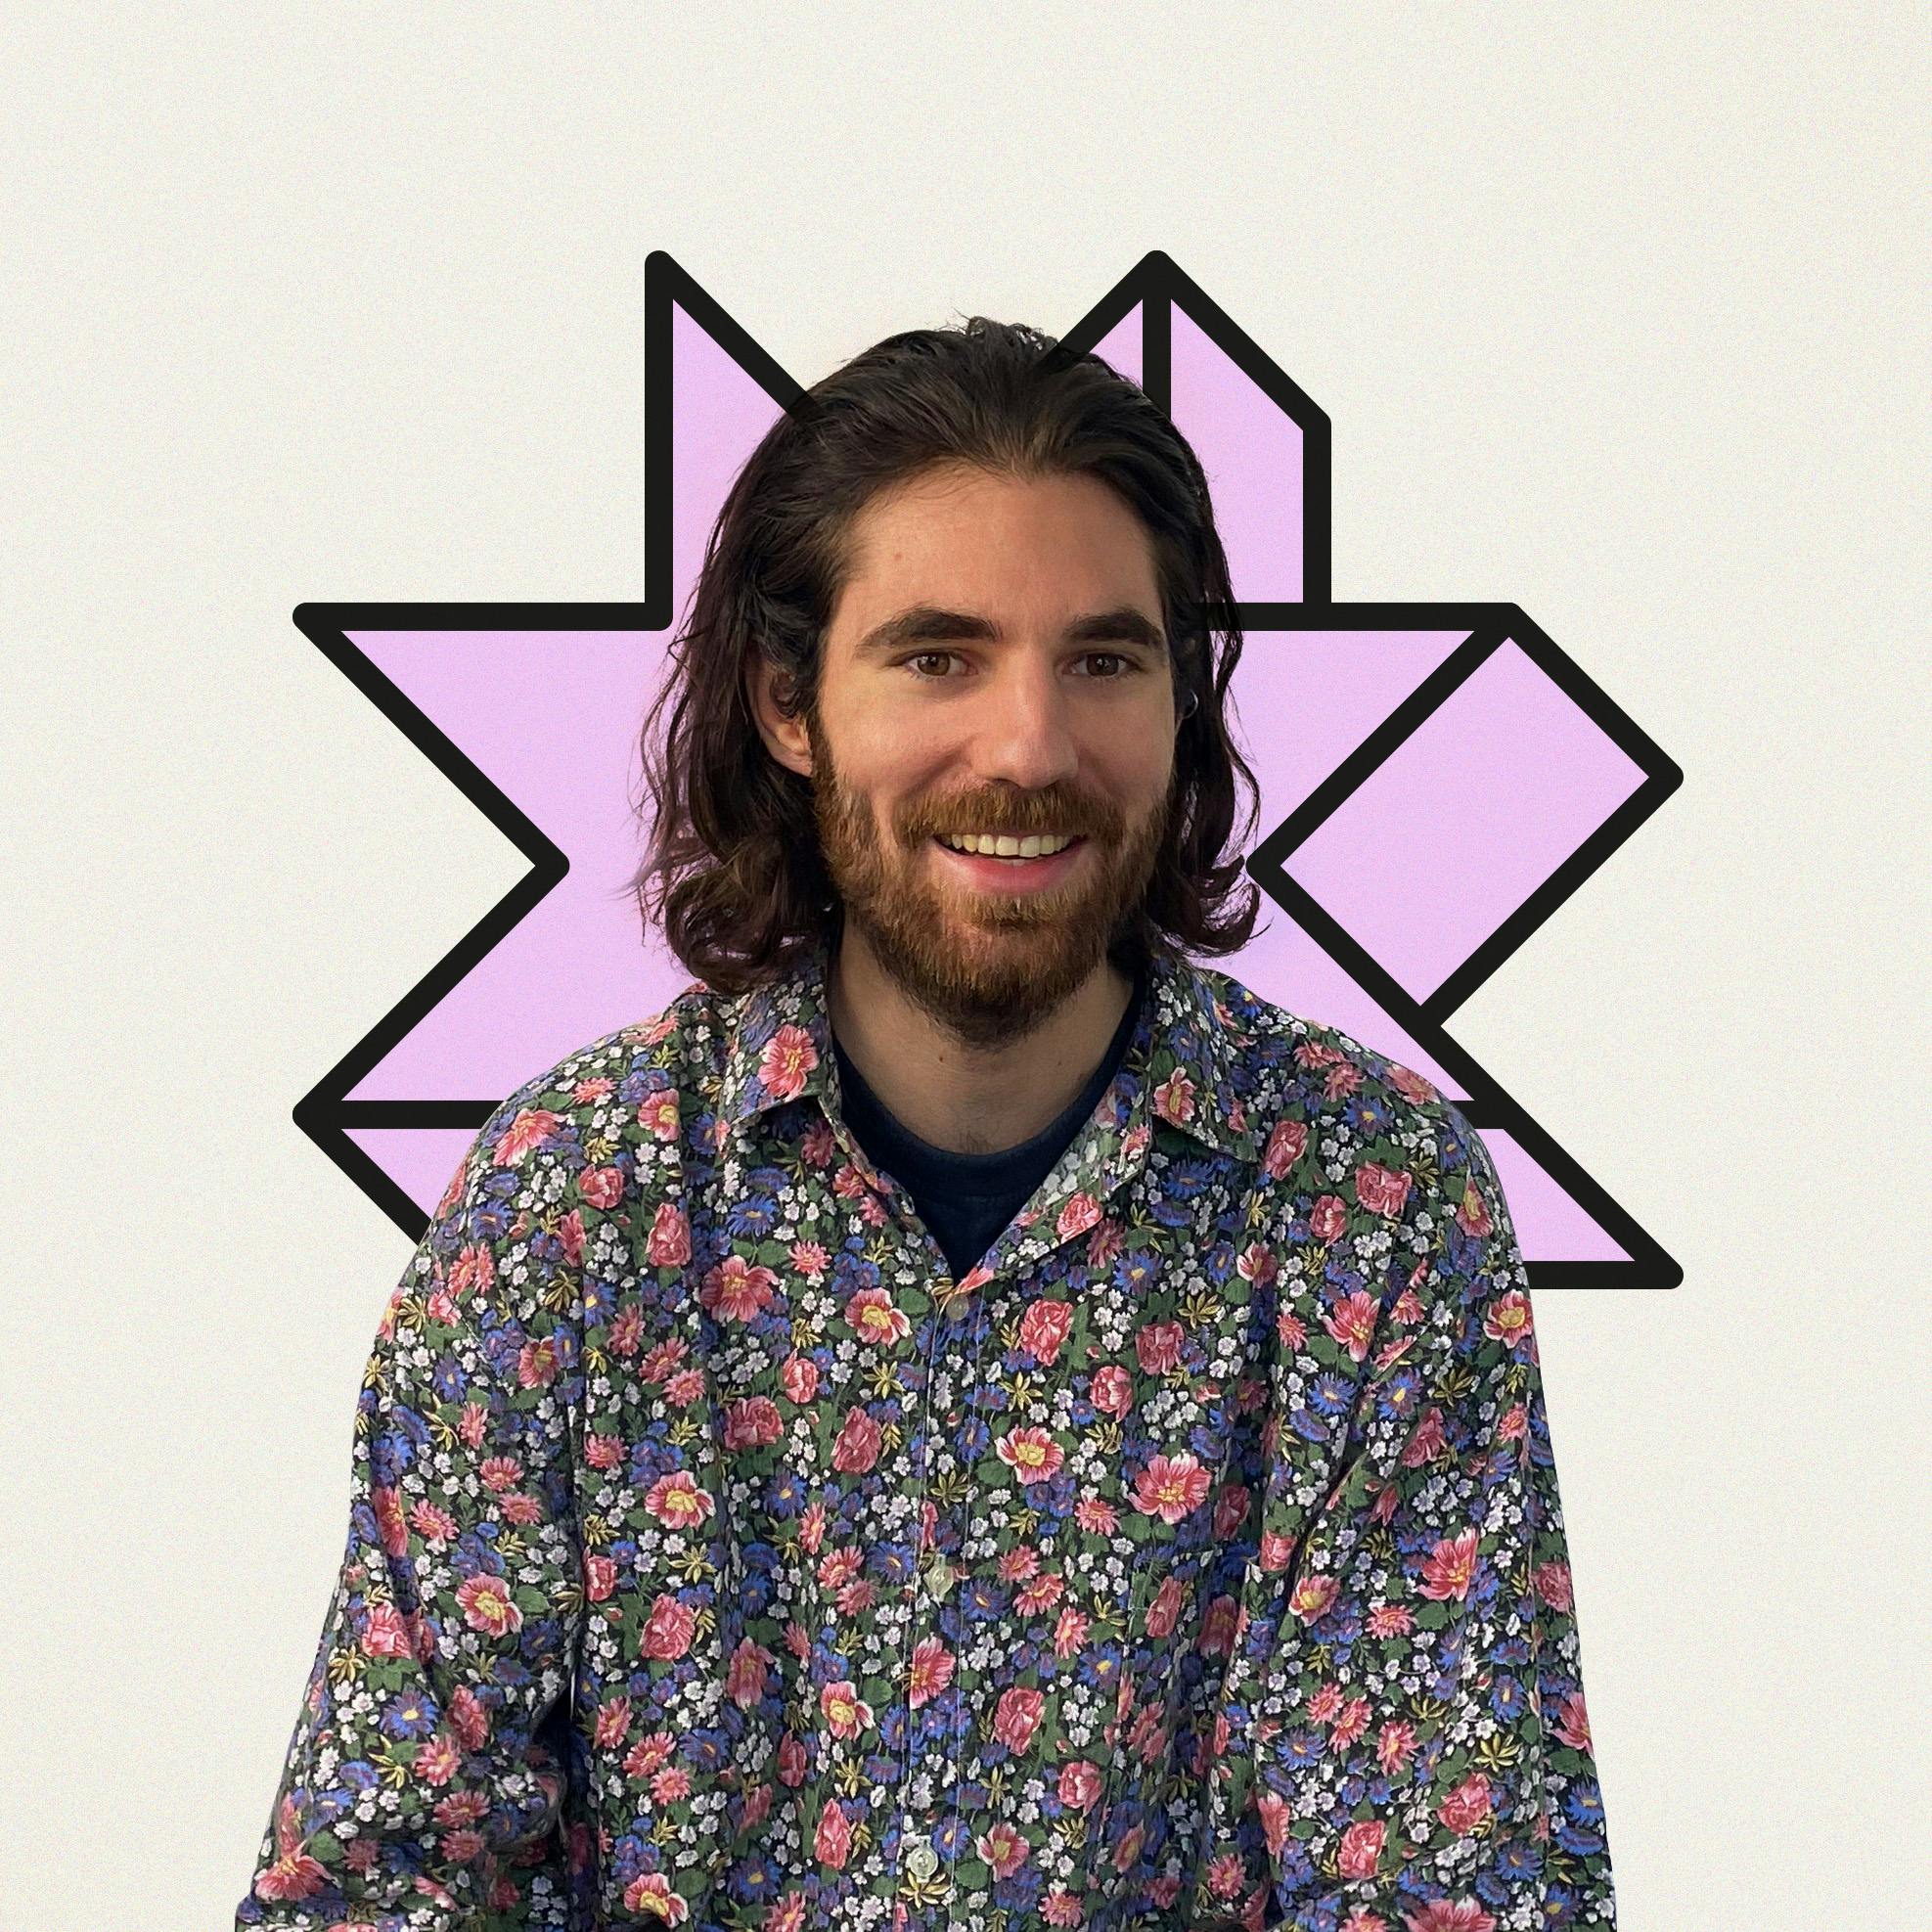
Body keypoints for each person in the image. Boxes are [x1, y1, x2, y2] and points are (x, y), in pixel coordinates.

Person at [238, 319, 1616, 1932]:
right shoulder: (578, 1203)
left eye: (1104, 661)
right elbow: (382, 1878)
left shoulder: (1367, 1205)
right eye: (939, 657)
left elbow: (1461, 1885)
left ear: (1183, 702)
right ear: (788, 702)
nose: (1028, 745)